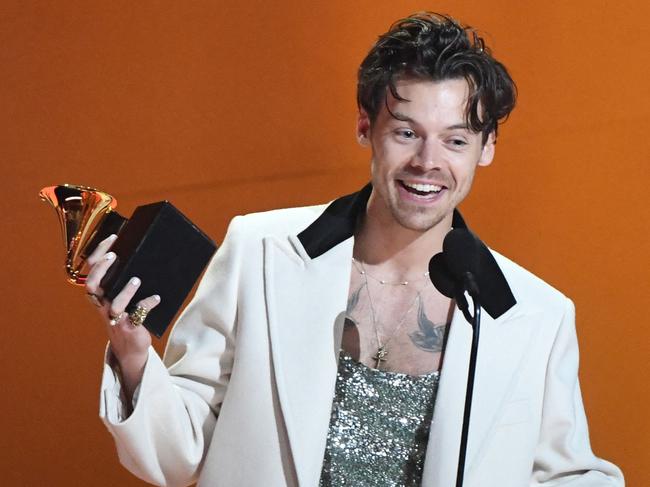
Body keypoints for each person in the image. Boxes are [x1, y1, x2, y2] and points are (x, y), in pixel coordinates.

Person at [84, 12, 624, 487]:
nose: (428, 162)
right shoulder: (260, 253)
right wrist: (133, 355)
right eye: (407, 133)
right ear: (367, 126)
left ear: (486, 149)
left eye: (455, 140)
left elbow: (570, 476)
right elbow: (180, 455)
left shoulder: (536, 316)